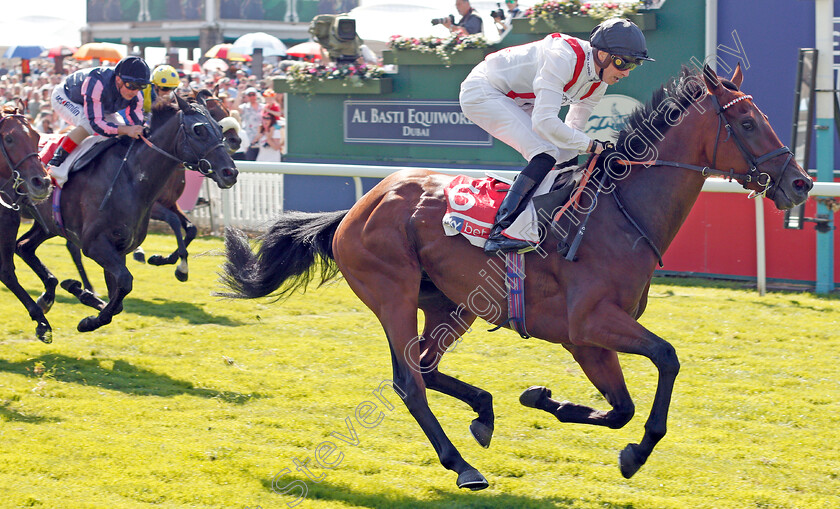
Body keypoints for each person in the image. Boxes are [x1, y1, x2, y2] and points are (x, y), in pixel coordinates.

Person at [459, 18, 653, 253]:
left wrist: (589, 147)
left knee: (567, 152)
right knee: (545, 152)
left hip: (517, 98)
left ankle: (547, 222)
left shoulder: (599, 83)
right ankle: (502, 230)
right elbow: (544, 123)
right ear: (602, 55)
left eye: (634, 65)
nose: (626, 73)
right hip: (483, 90)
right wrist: (595, 146)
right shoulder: (563, 57)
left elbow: (572, 130)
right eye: (624, 63)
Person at [48, 56, 151, 168]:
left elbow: (136, 124)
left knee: (121, 127)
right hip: (65, 96)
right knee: (87, 124)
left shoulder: (137, 95)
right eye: (131, 85)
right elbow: (96, 124)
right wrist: (126, 130)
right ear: (118, 79)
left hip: (97, 104)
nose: (135, 92)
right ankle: (55, 162)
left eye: (141, 86)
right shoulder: (97, 82)